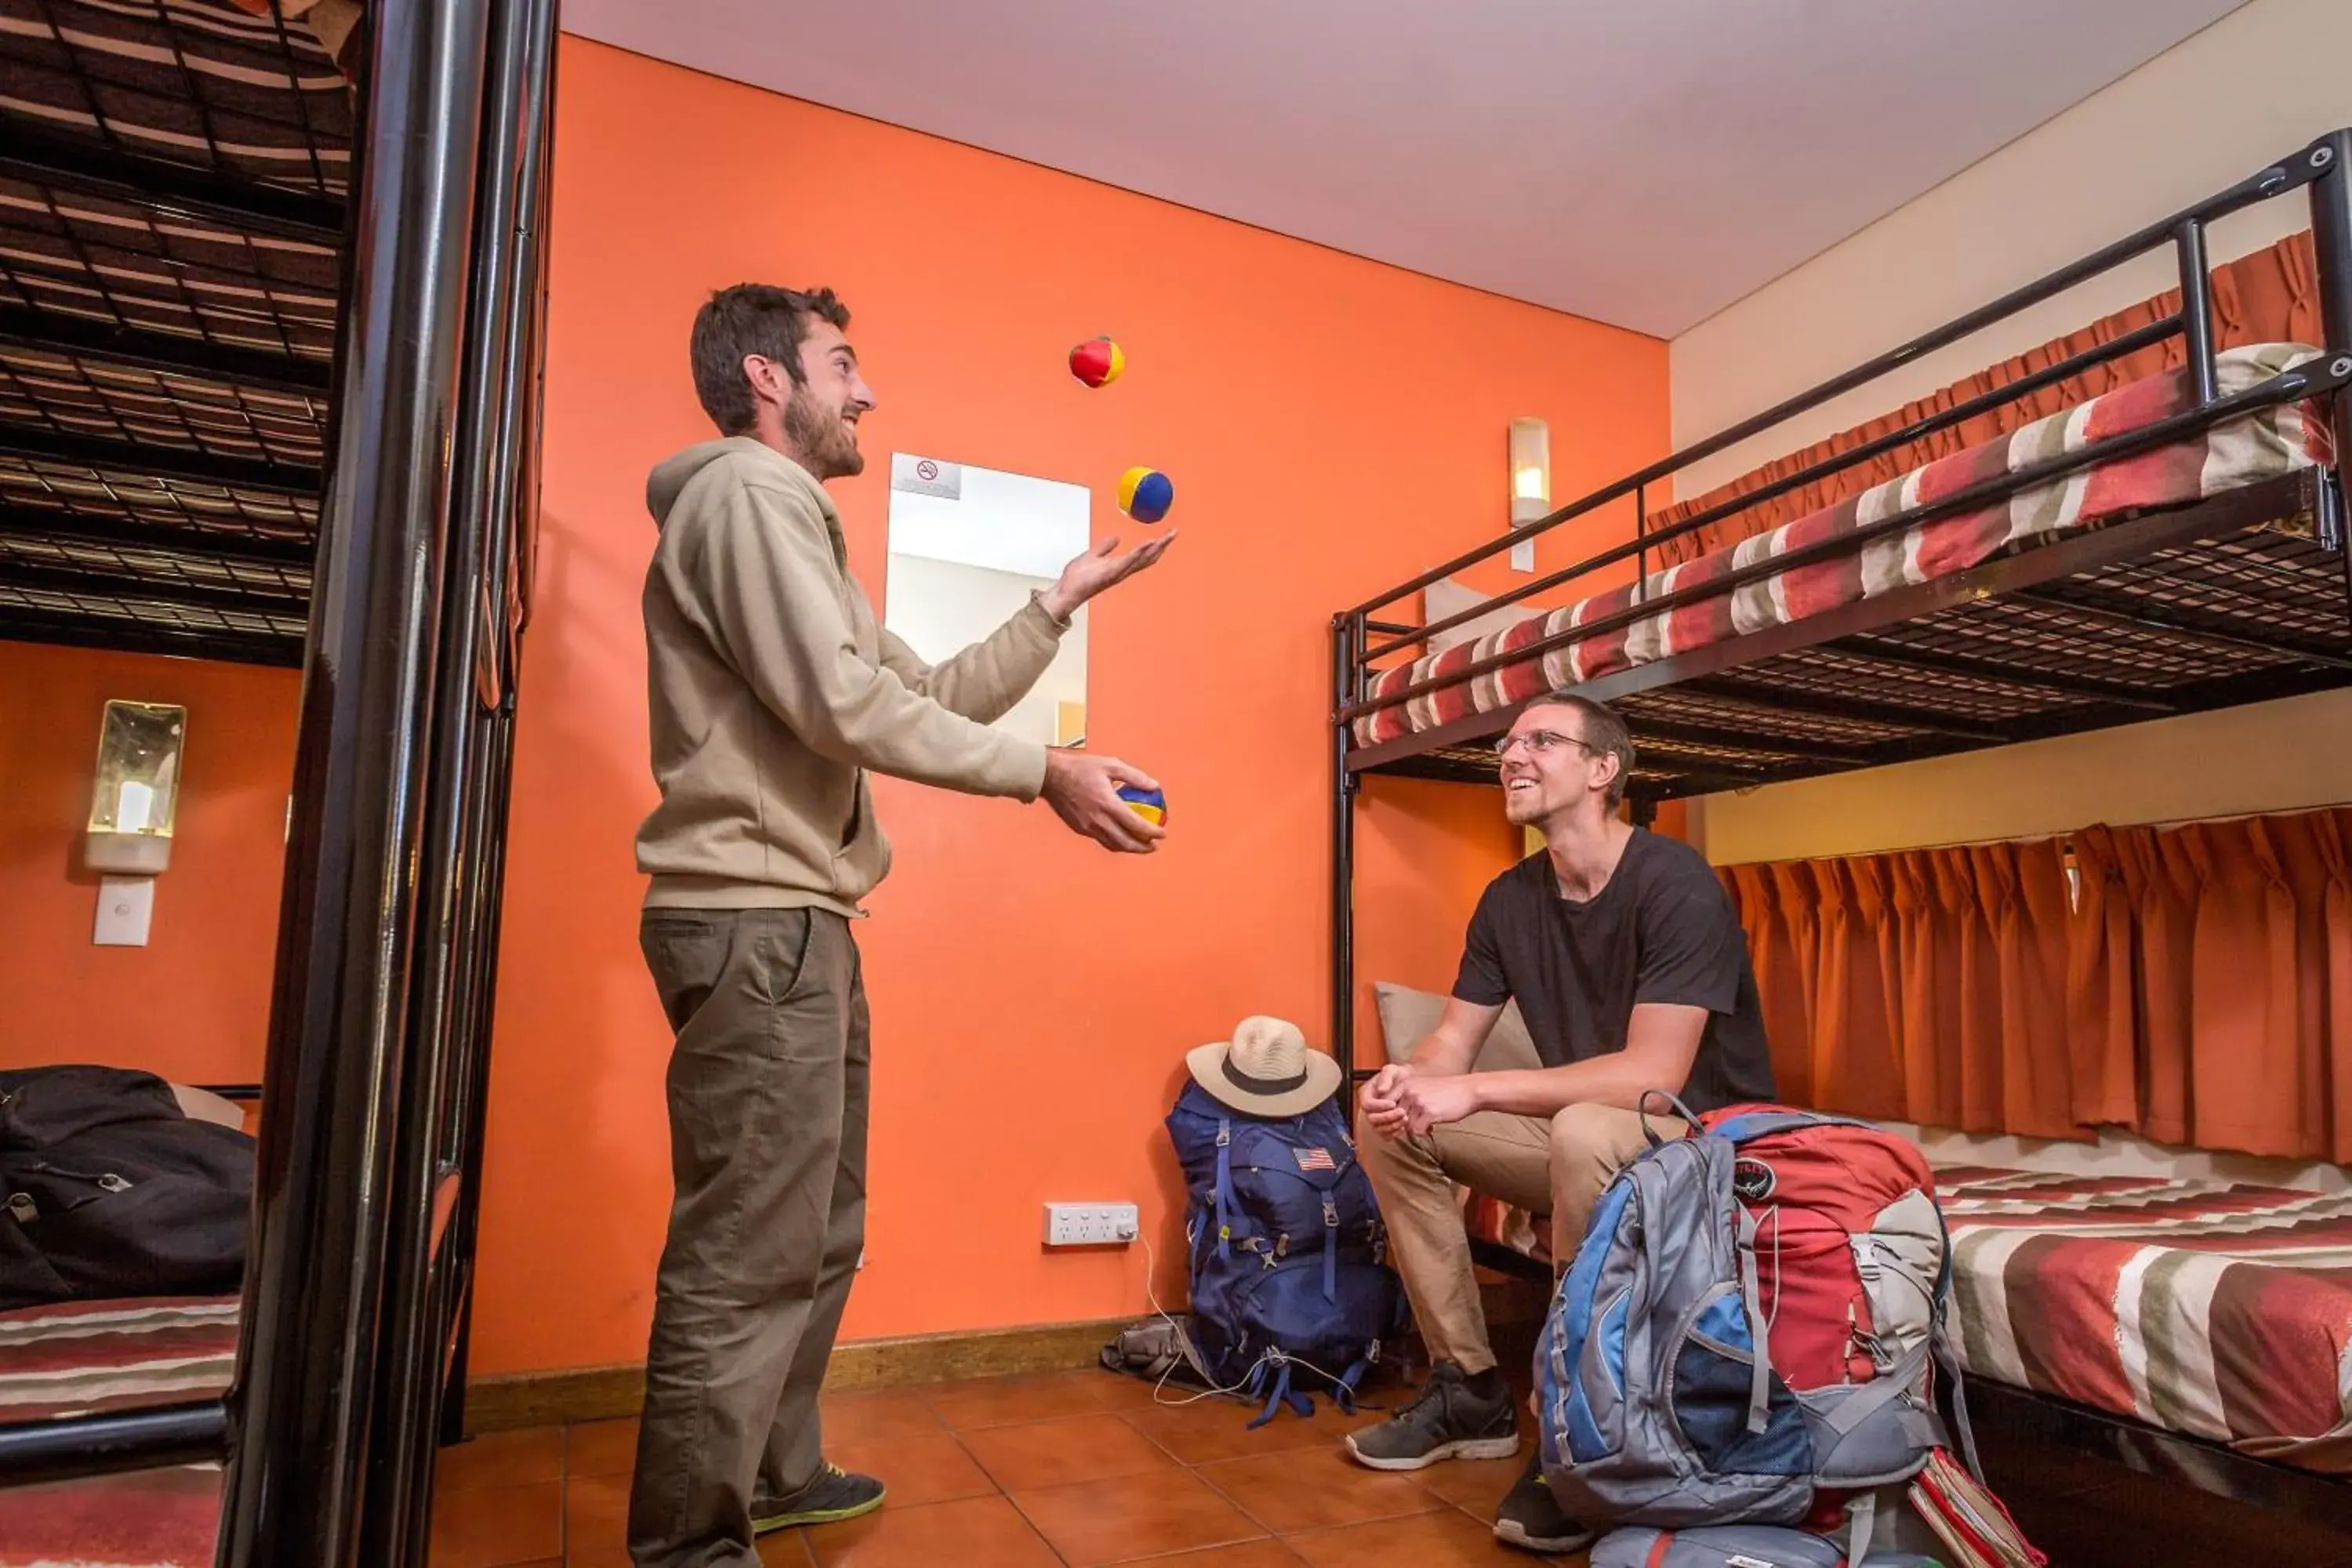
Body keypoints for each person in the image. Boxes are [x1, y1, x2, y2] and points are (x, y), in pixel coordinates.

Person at [626, 283, 1174, 1568]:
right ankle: (688, 1550)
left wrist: (1061, 600)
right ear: (770, 378)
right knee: (750, 1243)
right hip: (758, 918)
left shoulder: (789, 522)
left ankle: (778, 1470)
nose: (865, 392)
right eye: (843, 364)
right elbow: (839, 705)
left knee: (817, 1226)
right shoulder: (751, 498)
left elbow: (917, 690)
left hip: (798, 914)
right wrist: (1047, 776)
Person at [1348, 690, 1775, 1555]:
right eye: (1507, 742)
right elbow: (1450, 1044)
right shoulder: (1509, 898)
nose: (1512, 754)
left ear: (1602, 768)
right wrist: (1407, 1082)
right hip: (1590, 1126)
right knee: (1391, 1123)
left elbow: (1655, 1074)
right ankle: (1468, 1383)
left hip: (1704, 1139)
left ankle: (1577, 1426)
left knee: (1583, 1125)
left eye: (1540, 739)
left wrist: (1475, 1092)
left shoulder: (1677, 882)